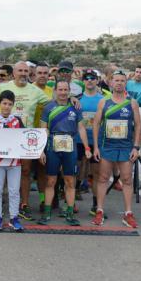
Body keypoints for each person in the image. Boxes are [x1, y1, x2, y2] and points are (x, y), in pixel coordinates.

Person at [0, 61, 51, 220]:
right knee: (2, 170)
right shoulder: (1, 88)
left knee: (25, 171)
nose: (23, 74)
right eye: (20, 70)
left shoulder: (34, 90)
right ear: (13, 72)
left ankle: (23, 204)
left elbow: (52, 103)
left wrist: (71, 98)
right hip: (5, 136)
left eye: (26, 71)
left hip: (25, 137)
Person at [92, 70, 141, 228]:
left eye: (122, 80)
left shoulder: (131, 102)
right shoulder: (103, 102)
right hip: (107, 146)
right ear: (111, 83)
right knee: (103, 178)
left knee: (127, 179)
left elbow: (139, 125)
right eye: (116, 80)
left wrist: (136, 147)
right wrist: (95, 147)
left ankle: (128, 213)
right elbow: (96, 124)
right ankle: (99, 210)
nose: (119, 83)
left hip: (125, 147)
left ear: (125, 83)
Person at [38, 80, 91, 226]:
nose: (63, 92)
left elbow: (81, 128)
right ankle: (47, 213)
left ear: (69, 91)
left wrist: (87, 148)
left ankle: (69, 213)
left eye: (65, 90)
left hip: (70, 147)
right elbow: (43, 130)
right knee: (51, 181)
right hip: (52, 147)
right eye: (60, 89)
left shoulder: (75, 107)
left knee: (70, 181)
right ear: (55, 91)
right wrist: (41, 150)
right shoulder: (48, 107)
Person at [0, 90, 24, 232]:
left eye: (10, 104)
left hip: (14, 163)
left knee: (14, 191)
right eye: (4, 103)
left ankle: (13, 218)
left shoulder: (17, 121)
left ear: (13, 105)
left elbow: (25, 137)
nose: (6, 107)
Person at [78, 69, 106, 216]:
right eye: (86, 78)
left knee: (96, 174)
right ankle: (71, 203)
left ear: (97, 80)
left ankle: (96, 205)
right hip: (78, 141)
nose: (89, 80)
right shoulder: (77, 99)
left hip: (97, 143)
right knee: (76, 172)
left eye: (92, 78)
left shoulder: (103, 100)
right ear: (83, 81)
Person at [32, 62, 54, 213]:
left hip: (46, 135)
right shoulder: (28, 89)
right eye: (39, 73)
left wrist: (72, 98)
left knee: (43, 169)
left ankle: (42, 200)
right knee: (23, 171)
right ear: (34, 74)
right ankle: (21, 202)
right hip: (27, 134)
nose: (42, 76)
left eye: (45, 73)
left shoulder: (52, 91)